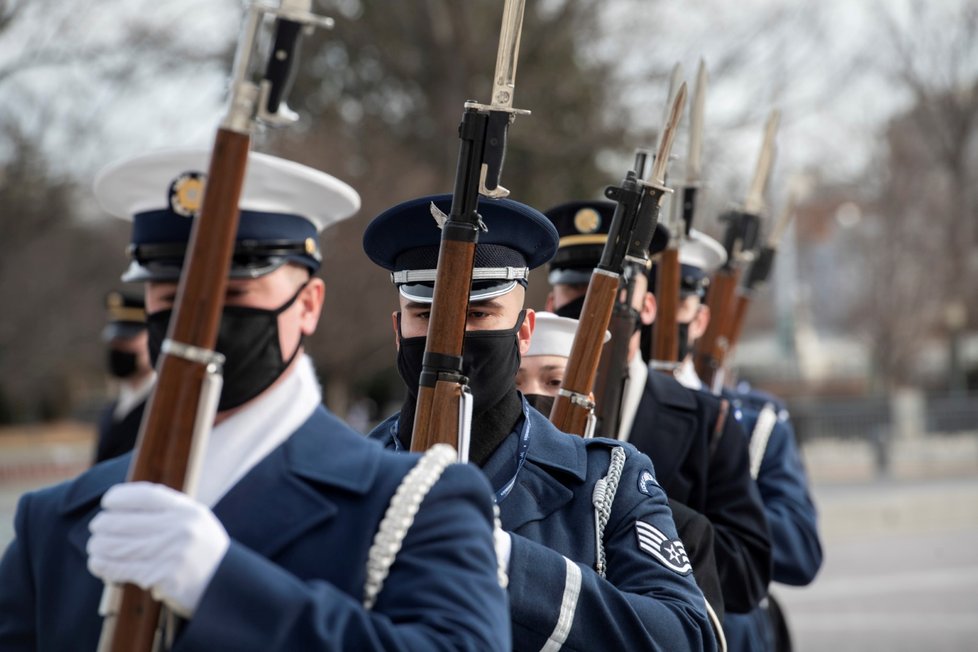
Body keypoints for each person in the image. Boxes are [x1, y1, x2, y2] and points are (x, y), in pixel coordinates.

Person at [0, 149, 510, 651]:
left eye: (236, 297)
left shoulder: (416, 503)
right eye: (171, 300)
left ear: (308, 305)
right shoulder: (56, 520)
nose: (200, 322)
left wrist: (220, 583)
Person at [363, 194, 717, 651]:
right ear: (398, 330)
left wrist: (503, 558)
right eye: (426, 316)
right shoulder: (352, 473)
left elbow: (686, 636)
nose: (450, 339)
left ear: (524, 332)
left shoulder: (608, 481)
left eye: (479, 314)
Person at [543, 199, 772, 619]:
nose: (591, 308)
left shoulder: (709, 421)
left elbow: (746, 576)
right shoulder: (528, 413)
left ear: (647, 307)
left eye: (611, 294)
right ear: (551, 303)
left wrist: (635, 511)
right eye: (576, 290)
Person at [516, 310, 727, 647]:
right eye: (516, 384)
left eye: (555, 382)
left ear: (588, 402)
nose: (533, 398)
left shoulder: (680, 527)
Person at [663, 231, 823, 652]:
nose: (661, 323)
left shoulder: (751, 421)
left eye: (676, 306)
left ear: (699, 319)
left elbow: (800, 551)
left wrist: (706, 507)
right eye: (654, 307)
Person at [94, 291, 154, 463]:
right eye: (115, 342)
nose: (119, 349)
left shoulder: (164, 403)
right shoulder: (113, 408)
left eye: (127, 340)